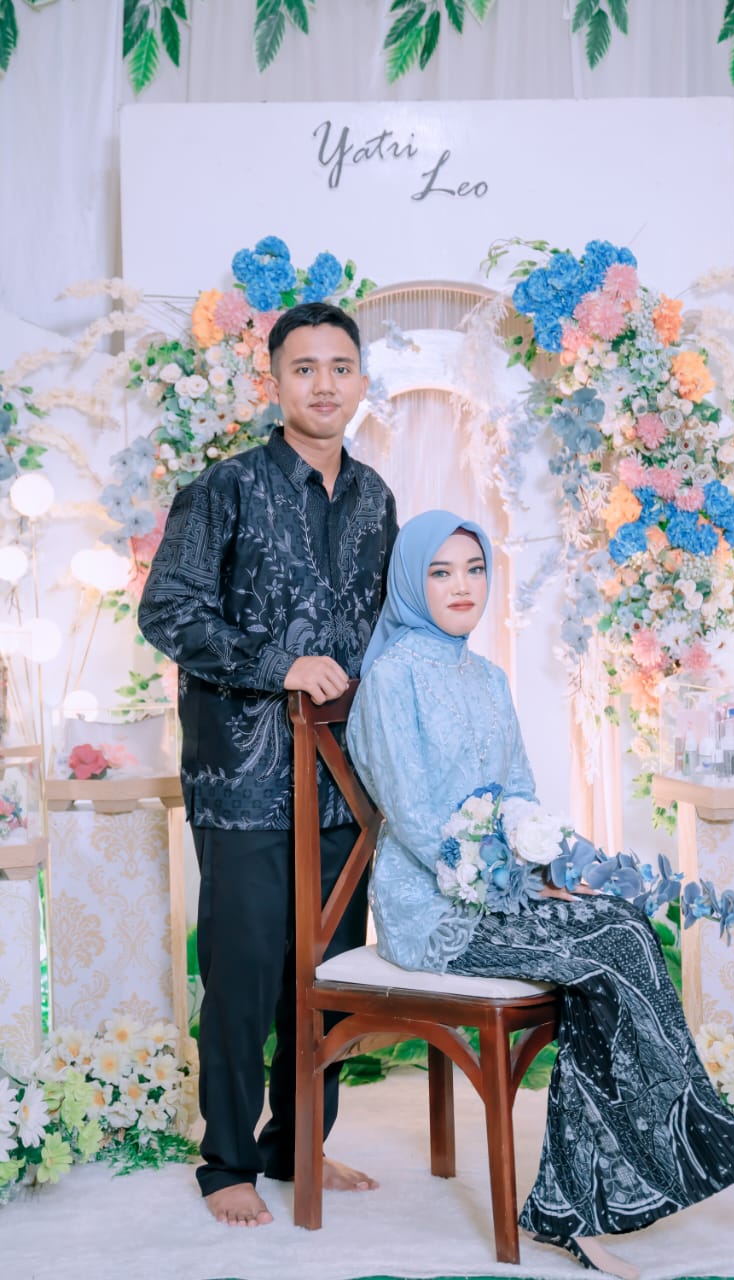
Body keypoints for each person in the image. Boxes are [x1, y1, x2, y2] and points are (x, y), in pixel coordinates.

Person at [345, 509, 734, 1279]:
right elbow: (419, 818)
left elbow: (518, 789)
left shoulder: (486, 677)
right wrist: (501, 879)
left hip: (505, 885)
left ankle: (573, 1209)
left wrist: (547, 864)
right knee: (607, 945)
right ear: (409, 582)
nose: (462, 586)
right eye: (440, 571)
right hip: (434, 908)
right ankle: (720, 1150)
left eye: (474, 569)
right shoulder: (393, 678)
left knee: (622, 922)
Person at [138, 301, 397, 1227]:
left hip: (341, 785)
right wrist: (275, 663)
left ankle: (298, 1149)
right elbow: (167, 610)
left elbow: (388, 628)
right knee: (245, 977)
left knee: (325, 979)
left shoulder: (375, 498)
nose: (324, 384)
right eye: (304, 368)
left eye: (340, 367)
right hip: (243, 780)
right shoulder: (225, 488)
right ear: (275, 380)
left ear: (360, 380)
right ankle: (227, 1163)